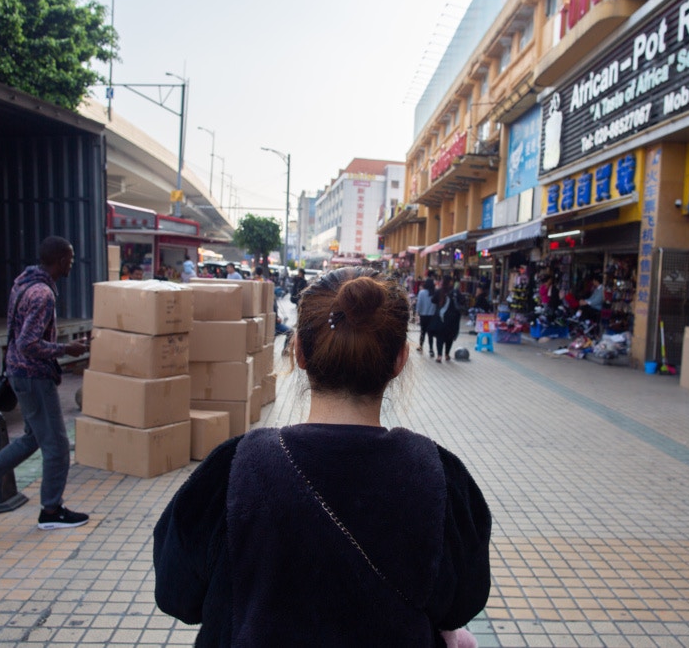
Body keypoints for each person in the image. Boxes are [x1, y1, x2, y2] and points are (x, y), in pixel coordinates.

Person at [153, 267, 491, 646]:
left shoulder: (233, 468)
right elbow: (462, 603)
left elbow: (176, 594)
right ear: (399, 360)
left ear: (298, 351)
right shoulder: (440, 478)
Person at [0, 236, 90, 529]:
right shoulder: (43, 295)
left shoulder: (23, 283)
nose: (72, 263)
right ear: (61, 260)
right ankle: (51, 512)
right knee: (58, 447)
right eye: (70, 258)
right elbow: (27, 343)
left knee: (32, 439)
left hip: (20, 374)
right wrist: (66, 349)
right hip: (34, 376)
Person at [432, 281, 463, 363]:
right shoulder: (455, 292)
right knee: (449, 338)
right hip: (452, 320)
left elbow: (433, 300)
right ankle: (447, 354)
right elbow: (462, 301)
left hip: (441, 319)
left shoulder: (439, 291)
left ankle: (439, 356)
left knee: (440, 338)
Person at [415, 278, 437, 354]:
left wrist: (417, 312)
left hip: (423, 315)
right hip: (432, 316)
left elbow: (419, 303)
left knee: (422, 332)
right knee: (430, 333)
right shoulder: (434, 293)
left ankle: (421, 346)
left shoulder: (422, 292)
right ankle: (431, 349)